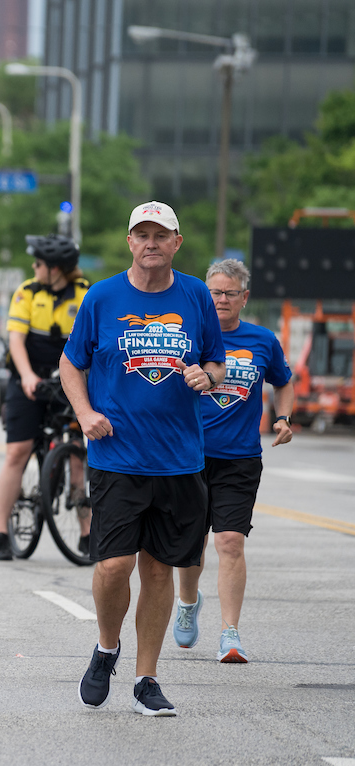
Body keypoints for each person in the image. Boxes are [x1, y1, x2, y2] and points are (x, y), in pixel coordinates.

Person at [60, 201, 225, 717]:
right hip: (116, 456)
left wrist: (210, 377)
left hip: (179, 460)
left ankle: (145, 679)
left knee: (157, 572)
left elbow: (216, 360)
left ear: (177, 242)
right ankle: (107, 646)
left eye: (161, 234)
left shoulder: (196, 294)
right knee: (113, 566)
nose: (151, 242)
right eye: (142, 234)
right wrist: (84, 412)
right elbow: (71, 363)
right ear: (129, 241)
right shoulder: (102, 296)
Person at [172, 258, 293, 663]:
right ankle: (188, 603)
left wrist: (282, 418)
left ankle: (230, 633)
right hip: (189, 455)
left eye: (229, 293)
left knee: (230, 541)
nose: (221, 300)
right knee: (192, 546)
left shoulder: (262, 339)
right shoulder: (186, 335)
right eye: (214, 293)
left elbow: (283, 380)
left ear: (244, 297)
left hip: (240, 458)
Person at [0, 234, 91, 561]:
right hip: (30, 376)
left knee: (77, 450)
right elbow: (17, 342)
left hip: (70, 377)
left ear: (56, 268)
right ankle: (1, 533)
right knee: (17, 451)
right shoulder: (27, 292)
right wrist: (28, 377)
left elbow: (91, 346)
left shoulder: (85, 293)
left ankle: (87, 532)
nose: (34, 268)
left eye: (38, 264)